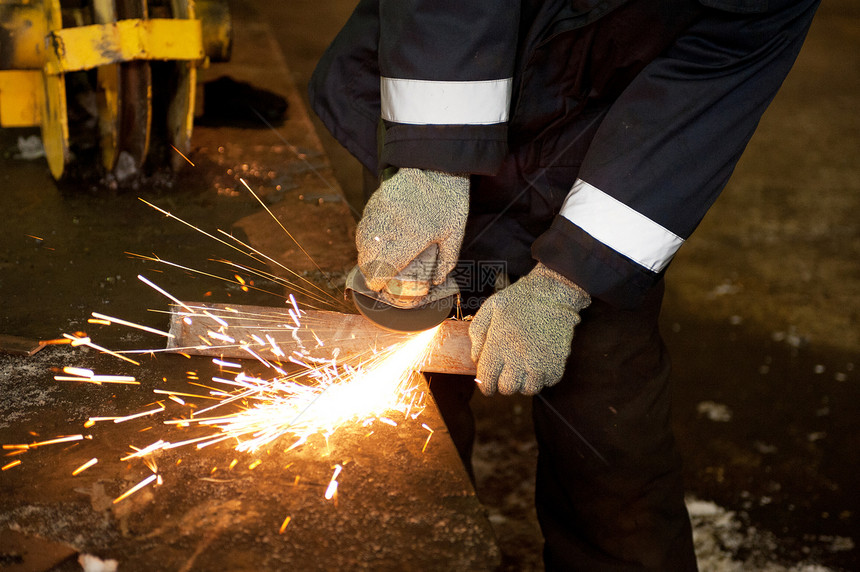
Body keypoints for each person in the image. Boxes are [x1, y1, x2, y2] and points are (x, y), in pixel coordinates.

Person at [309, 0, 820, 569]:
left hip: (607, 167)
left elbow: (698, 100)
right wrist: (432, 162)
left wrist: (569, 280)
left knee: (611, 437)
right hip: (445, 90)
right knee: (406, 423)